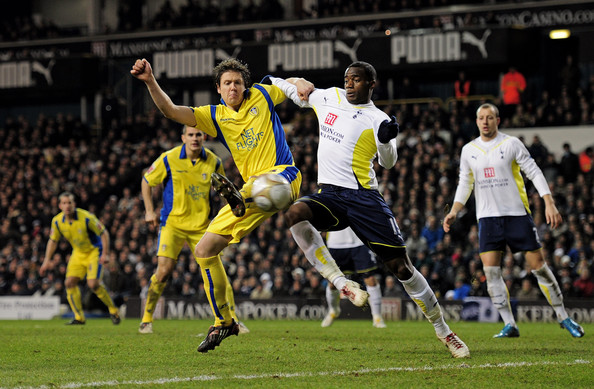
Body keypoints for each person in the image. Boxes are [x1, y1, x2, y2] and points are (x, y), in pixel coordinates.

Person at [269, 61, 470, 358]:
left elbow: (388, 163)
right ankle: (341, 282)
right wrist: (286, 80)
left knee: (402, 268)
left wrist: (386, 140)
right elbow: (282, 86)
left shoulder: (379, 119)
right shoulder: (328, 97)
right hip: (331, 194)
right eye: (347, 79)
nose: (349, 84)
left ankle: (445, 331)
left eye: (357, 80)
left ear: (371, 84)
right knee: (295, 213)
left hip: (365, 198)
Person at [131, 57, 302, 352]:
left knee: (270, 191)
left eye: (237, 82)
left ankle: (241, 198)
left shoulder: (262, 93)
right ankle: (224, 321)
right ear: (219, 89)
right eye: (227, 83)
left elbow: (290, 87)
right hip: (249, 190)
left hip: (283, 175)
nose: (233, 87)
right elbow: (170, 110)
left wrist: (302, 86)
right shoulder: (214, 116)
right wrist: (150, 81)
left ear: (245, 85)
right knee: (204, 250)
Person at [443, 103, 584, 338]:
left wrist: (548, 202)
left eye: (490, 117)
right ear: (476, 121)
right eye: (481, 118)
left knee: (539, 267)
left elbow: (534, 171)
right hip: (487, 218)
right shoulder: (469, 150)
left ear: (498, 120)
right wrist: (454, 211)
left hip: (516, 215)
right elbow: (465, 183)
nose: (485, 121)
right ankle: (510, 324)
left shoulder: (511, 144)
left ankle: (563, 317)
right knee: (491, 273)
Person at [138, 125, 248, 335]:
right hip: (173, 225)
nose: (195, 138)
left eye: (198, 134)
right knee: (163, 272)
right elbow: (146, 180)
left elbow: (224, 190)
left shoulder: (214, 161)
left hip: (201, 227)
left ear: (204, 137)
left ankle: (232, 319)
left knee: (217, 273)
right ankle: (146, 319)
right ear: (183, 137)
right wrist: (149, 211)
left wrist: (230, 218)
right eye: (190, 135)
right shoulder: (169, 158)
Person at [39, 192, 120, 325]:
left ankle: (112, 309)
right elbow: (53, 241)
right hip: (78, 253)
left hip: (94, 251)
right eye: (64, 203)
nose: (67, 206)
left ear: (74, 204)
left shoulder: (87, 217)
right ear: (59, 205)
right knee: (69, 283)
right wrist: (47, 260)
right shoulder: (57, 221)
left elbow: (104, 233)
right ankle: (79, 317)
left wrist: (105, 253)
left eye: (69, 202)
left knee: (93, 284)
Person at [321, 227, 386, 329]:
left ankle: (377, 317)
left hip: (359, 242)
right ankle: (333, 310)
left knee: (370, 279)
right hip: (335, 244)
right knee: (332, 282)